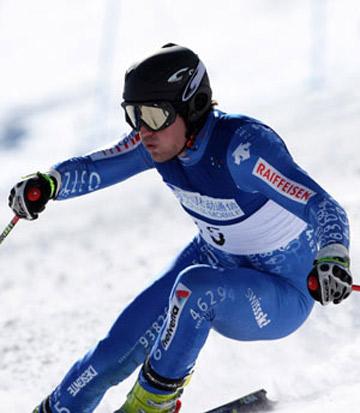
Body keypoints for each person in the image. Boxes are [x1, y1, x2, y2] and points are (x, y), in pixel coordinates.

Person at [9, 44, 352, 413]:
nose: (143, 131)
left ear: (193, 106)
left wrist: (333, 254)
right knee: (110, 355)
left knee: (195, 288)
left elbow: (322, 205)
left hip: (281, 291)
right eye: (133, 115)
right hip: (215, 259)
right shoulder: (159, 141)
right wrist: (49, 184)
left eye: (154, 115)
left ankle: (151, 406)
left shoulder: (244, 149)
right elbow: (97, 165)